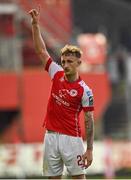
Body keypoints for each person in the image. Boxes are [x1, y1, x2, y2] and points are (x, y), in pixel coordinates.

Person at [28, 6, 94, 179]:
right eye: (63, 61)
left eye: (70, 61)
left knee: (79, 178)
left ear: (78, 63)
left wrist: (90, 149)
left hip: (72, 139)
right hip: (50, 137)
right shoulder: (56, 73)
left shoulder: (84, 91)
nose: (65, 65)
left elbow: (89, 119)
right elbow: (41, 51)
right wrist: (35, 25)